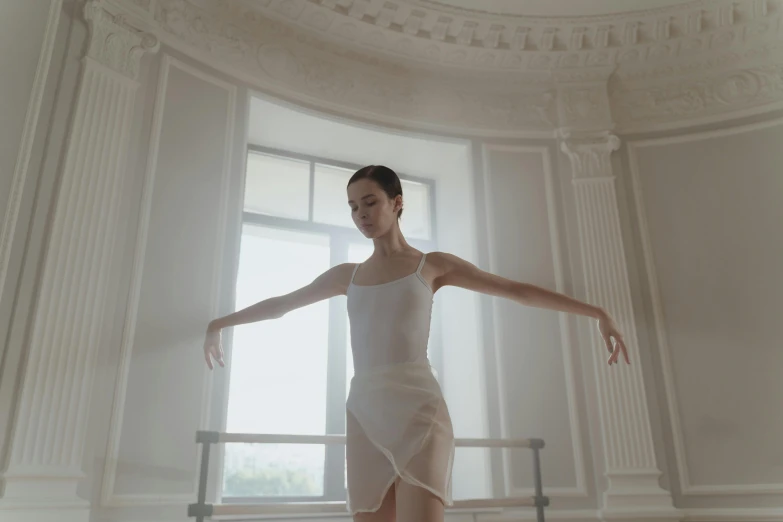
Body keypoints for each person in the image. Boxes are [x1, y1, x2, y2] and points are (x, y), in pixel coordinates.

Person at [203, 165, 630, 522]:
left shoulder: (432, 266)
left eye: (370, 202)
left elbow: (514, 289)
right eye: (353, 207)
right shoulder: (346, 276)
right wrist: (219, 323)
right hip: (365, 412)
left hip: (419, 410)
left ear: (397, 202)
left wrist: (598, 313)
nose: (361, 214)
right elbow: (282, 304)